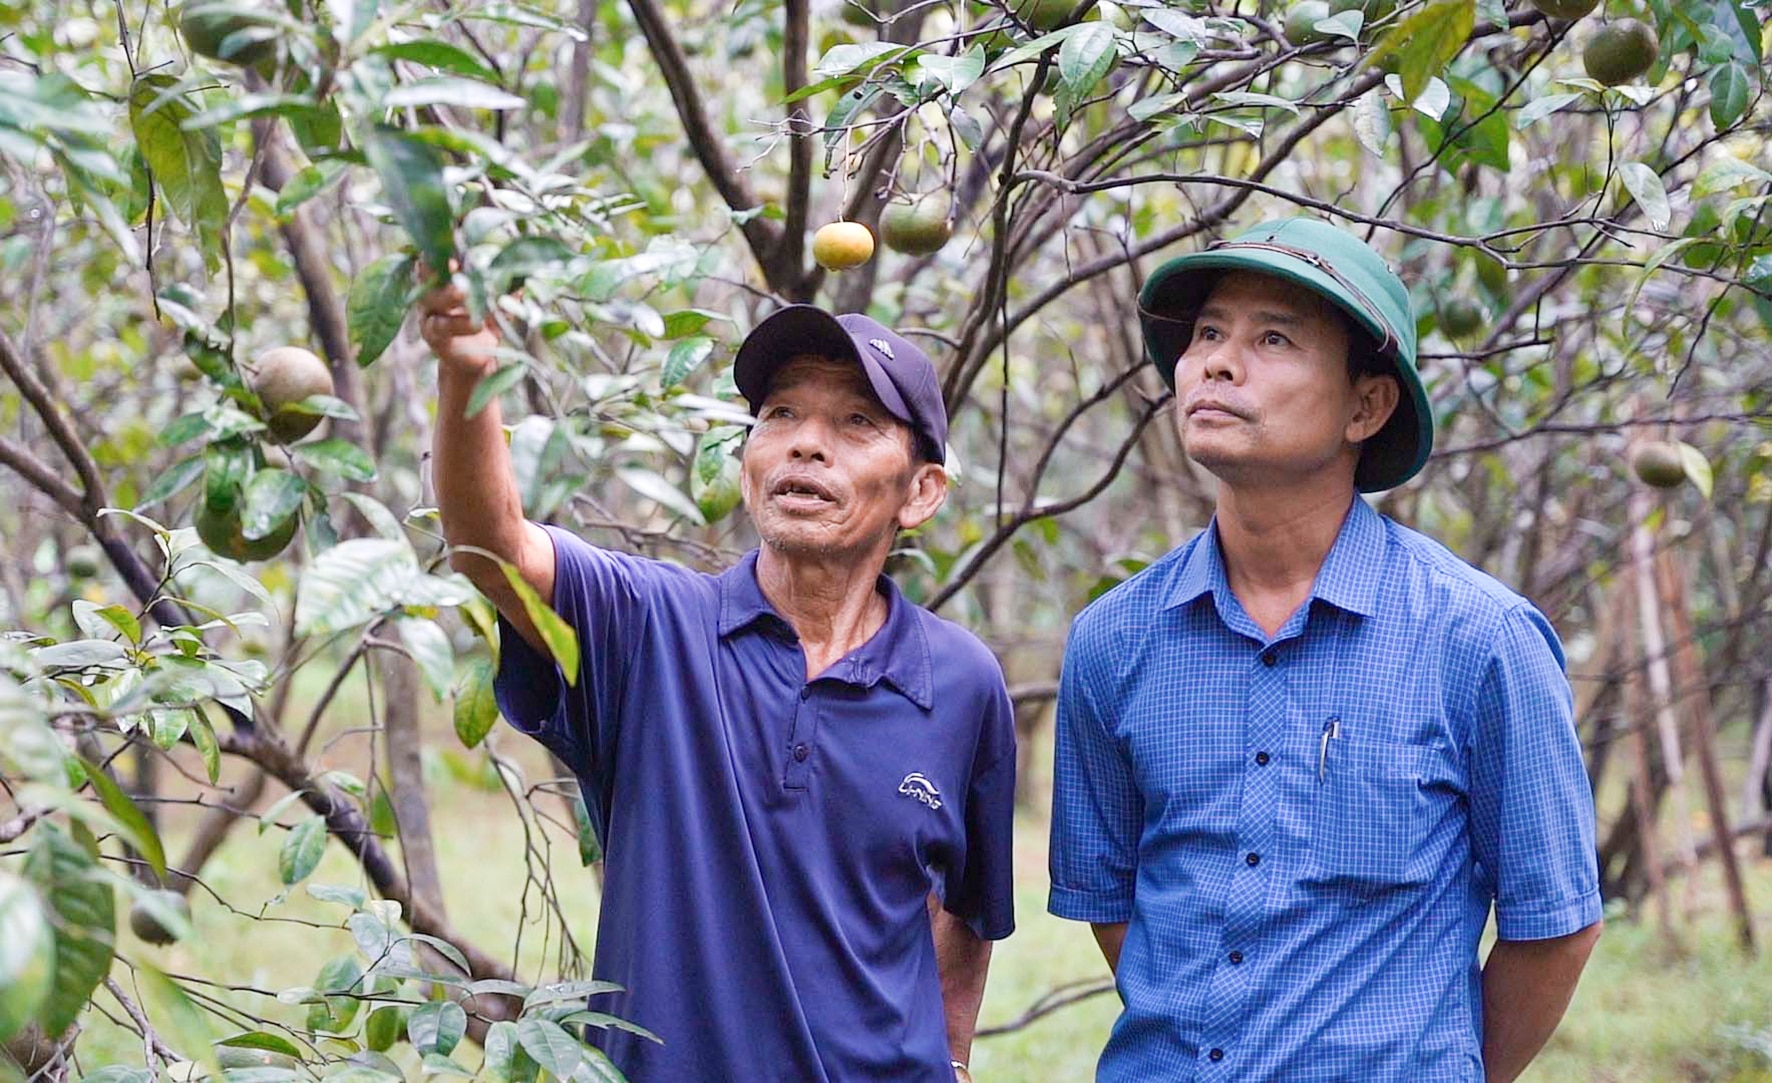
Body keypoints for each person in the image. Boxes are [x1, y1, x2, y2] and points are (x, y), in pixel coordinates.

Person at [1048, 217, 1603, 1082]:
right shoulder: (1114, 640)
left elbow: (1555, 925)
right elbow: (1114, 904)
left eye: (1273, 337)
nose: (1219, 363)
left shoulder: (1480, 641)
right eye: (1207, 334)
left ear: (1365, 404)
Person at [418, 293, 1016, 1082]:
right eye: (780, 413)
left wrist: (951, 1060)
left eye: (856, 424)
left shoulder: (964, 682)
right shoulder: (647, 626)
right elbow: (489, 544)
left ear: (922, 492)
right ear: (745, 463)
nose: (806, 445)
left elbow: (965, 909)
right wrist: (468, 370)